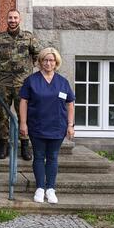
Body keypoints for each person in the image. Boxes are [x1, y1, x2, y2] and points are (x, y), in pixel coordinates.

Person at [19, 47, 75, 204]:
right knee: (38, 156)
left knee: (53, 157)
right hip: (37, 126)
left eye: (51, 60)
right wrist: (23, 123)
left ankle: (50, 188)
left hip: (58, 127)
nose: (48, 63)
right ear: (40, 62)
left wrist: (70, 125)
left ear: (56, 62)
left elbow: (70, 104)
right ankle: (39, 188)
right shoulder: (31, 80)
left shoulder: (63, 82)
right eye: (45, 60)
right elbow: (23, 102)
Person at [0, 9, 40, 160]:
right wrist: (0, 68)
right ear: (6, 20)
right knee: (3, 115)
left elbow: (38, 55)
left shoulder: (28, 37)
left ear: (19, 19)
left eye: (15, 18)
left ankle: (24, 144)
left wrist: (29, 70)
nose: (12, 20)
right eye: (10, 18)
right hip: (3, 83)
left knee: (24, 115)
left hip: (23, 84)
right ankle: (3, 143)